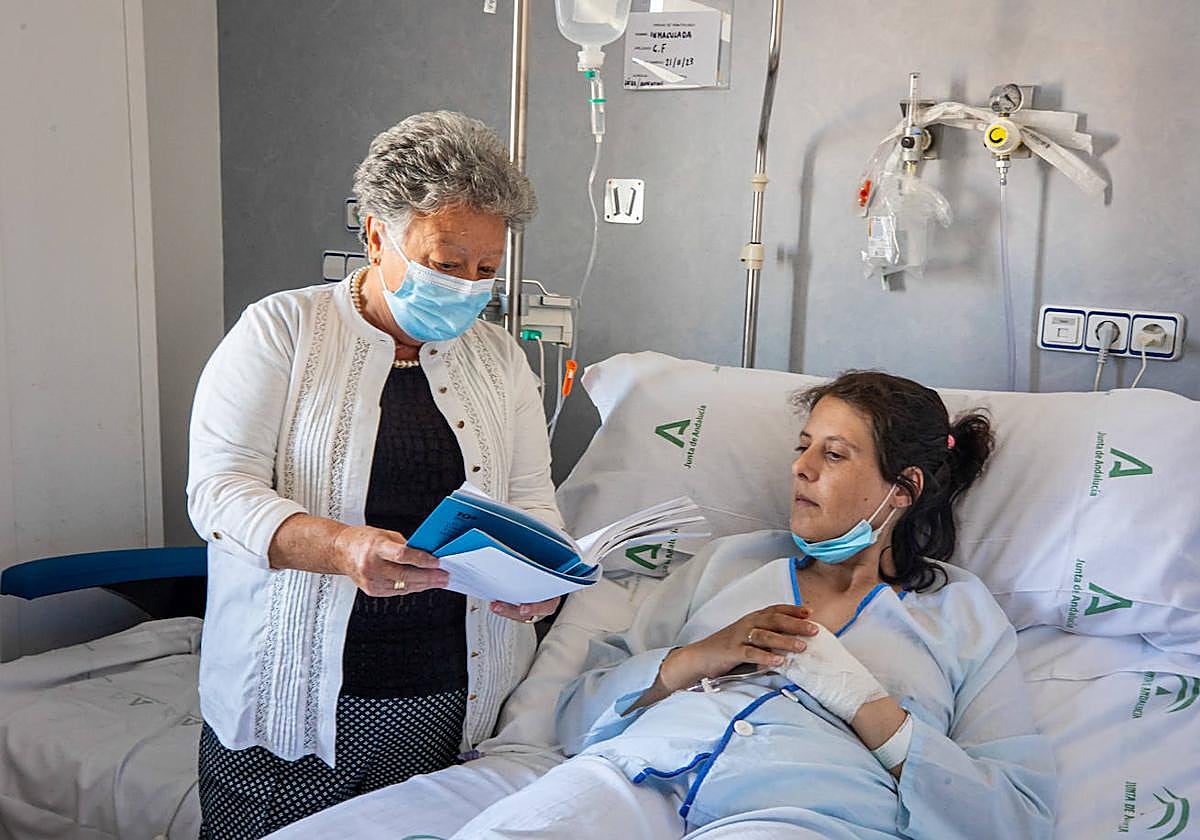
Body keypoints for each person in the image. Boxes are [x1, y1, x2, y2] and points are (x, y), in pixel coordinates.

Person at [449, 371, 1057, 839]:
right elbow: (576, 718)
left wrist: (861, 702)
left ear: (904, 487)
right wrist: (693, 659)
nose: (801, 467)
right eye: (803, 447)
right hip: (633, 775)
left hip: (798, 810)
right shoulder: (731, 565)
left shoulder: (961, 614)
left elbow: (1011, 817)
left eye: (834, 455)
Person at [187, 111, 563, 838]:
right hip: (291, 701)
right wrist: (340, 548)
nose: (468, 286)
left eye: (487, 270)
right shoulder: (281, 332)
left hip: (452, 697)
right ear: (375, 234)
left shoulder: (500, 359)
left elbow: (530, 502)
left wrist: (540, 577)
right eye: (446, 263)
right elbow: (218, 492)